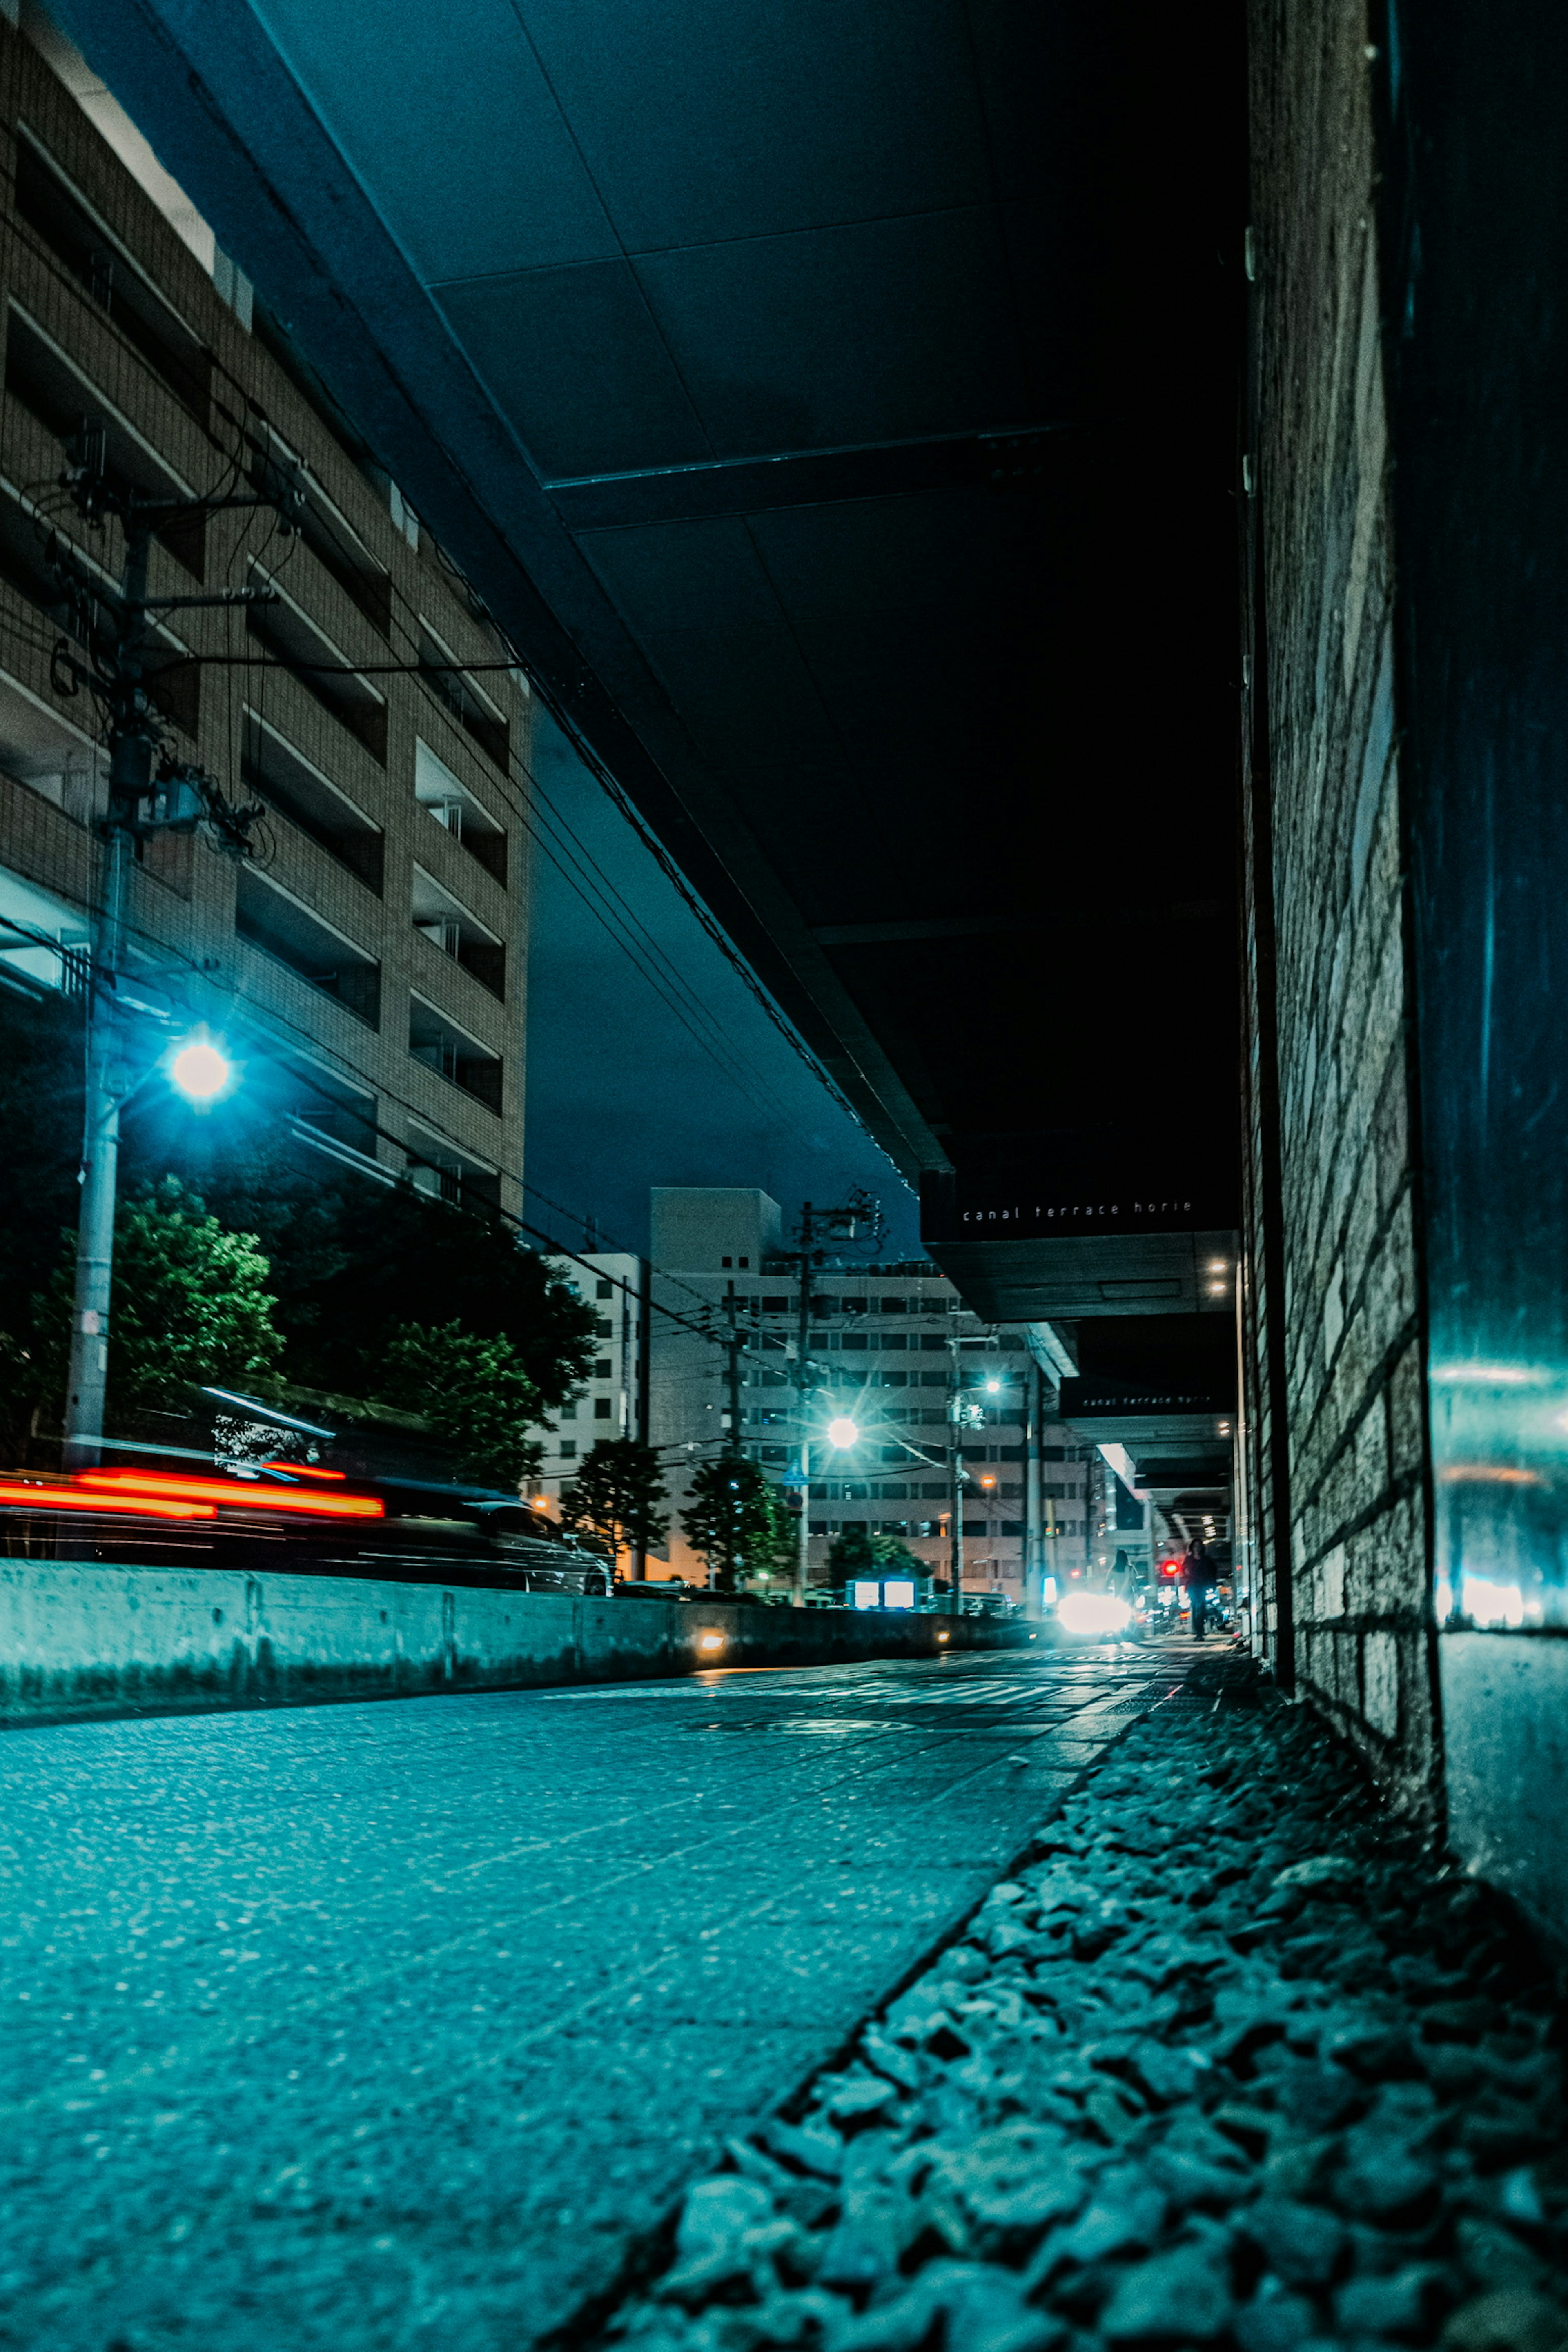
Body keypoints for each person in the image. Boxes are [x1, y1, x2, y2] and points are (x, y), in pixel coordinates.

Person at [1180, 1537, 1217, 1639]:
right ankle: (1198, 1631)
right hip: (1192, 1586)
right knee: (1196, 1607)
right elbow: (1184, 1572)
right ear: (1192, 1548)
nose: (1197, 1548)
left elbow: (1213, 1572)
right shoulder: (1189, 1560)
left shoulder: (1206, 1560)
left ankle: (1200, 1631)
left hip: (1202, 1586)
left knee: (1201, 1607)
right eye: (1195, 1546)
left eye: (1199, 1546)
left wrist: (1212, 1584)